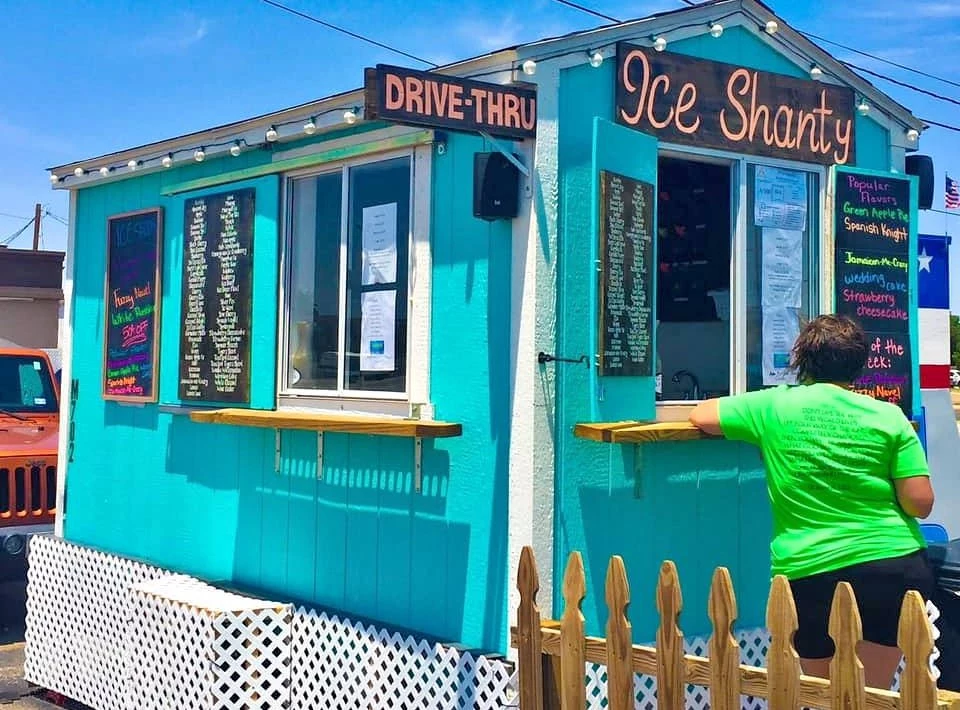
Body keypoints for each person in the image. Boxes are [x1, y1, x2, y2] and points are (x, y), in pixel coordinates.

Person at [688, 314, 935, 689]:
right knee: (873, 692)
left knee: (822, 693)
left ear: (801, 359)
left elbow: (700, 415)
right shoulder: (889, 416)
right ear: (859, 364)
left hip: (810, 569)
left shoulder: (773, 407)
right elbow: (920, 503)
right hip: (891, 564)